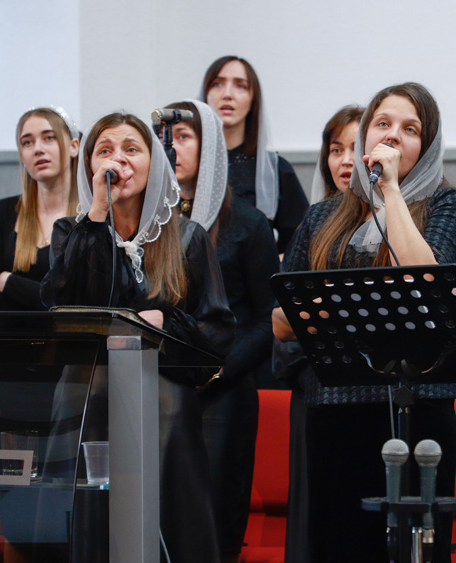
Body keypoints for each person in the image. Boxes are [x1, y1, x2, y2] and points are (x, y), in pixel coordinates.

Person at [272, 82, 456, 562]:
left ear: (427, 146)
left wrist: (391, 191)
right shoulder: (322, 215)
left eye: (410, 129)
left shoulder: (445, 203)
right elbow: (281, 317)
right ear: (365, 136)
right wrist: (337, 310)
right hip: (335, 406)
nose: (393, 135)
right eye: (383, 123)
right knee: (339, 544)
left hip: (420, 405)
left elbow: (427, 281)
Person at [40, 112, 236, 562]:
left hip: (163, 404)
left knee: (163, 524)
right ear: (90, 166)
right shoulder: (70, 232)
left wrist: (163, 322)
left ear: (154, 163)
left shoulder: (187, 237)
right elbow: (59, 303)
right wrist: (97, 214)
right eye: (105, 150)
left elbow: (217, 332)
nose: (119, 160)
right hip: (87, 399)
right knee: (92, 523)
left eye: (132, 149)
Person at [164, 98, 278, 563]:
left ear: (209, 146)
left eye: (183, 137)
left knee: (213, 523)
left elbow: (269, 317)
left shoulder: (247, 223)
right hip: (163, 386)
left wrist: (218, 370)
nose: (172, 147)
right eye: (166, 138)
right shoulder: (154, 223)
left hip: (223, 391)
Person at [273, 103, 363, 563]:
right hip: (317, 389)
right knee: (320, 524)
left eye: (355, 148)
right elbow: (279, 318)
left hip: (374, 394)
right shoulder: (314, 220)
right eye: (335, 149)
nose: (345, 160)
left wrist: (319, 310)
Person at [0, 106, 80, 310]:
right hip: (7, 332)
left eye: (49, 138)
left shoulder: (91, 217)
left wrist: (11, 283)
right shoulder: (3, 212)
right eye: (27, 142)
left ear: (74, 147)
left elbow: (80, 304)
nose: (38, 149)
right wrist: (45, 302)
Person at [200, 55, 308, 254]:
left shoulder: (276, 169)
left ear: (253, 100)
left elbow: (300, 239)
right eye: (217, 84)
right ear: (205, 95)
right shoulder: (187, 165)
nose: (227, 94)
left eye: (240, 86)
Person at [309, 105, 364, 203]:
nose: (346, 161)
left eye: (356, 149)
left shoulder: (389, 209)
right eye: (336, 151)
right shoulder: (319, 211)